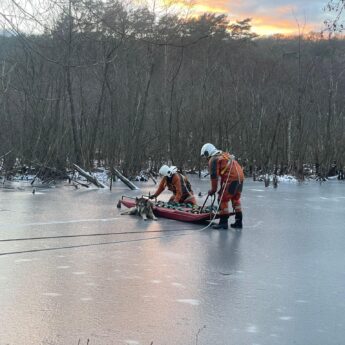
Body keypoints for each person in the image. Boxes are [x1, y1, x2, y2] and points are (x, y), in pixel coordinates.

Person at [200, 143, 244, 229]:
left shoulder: (213, 159)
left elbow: (214, 177)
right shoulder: (224, 155)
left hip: (231, 179)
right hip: (240, 178)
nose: (206, 159)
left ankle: (223, 222)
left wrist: (213, 190)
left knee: (222, 199)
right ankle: (239, 222)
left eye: (205, 156)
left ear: (207, 153)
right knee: (235, 198)